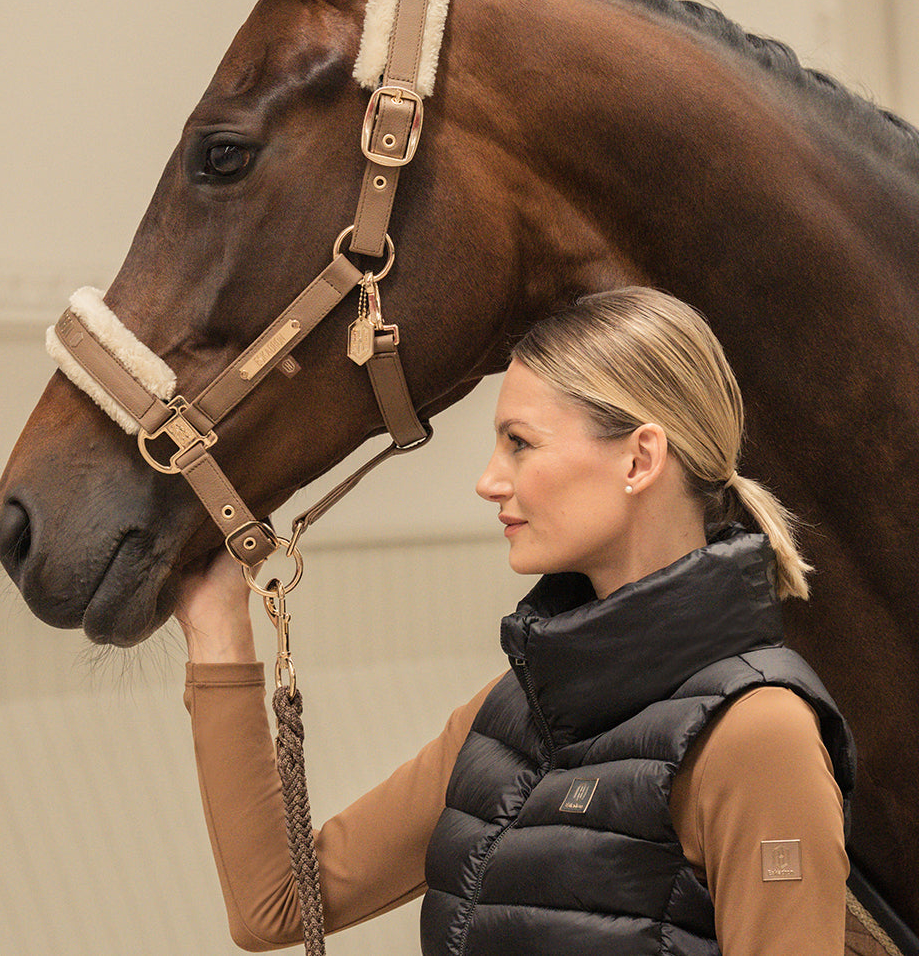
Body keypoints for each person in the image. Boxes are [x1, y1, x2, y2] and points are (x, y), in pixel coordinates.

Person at [177, 287, 854, 955]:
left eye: (519, 443)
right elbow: (275, 906)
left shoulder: (759, 735)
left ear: (640, 459)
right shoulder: (513, 712)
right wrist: (217, 630)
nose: (489, 480)